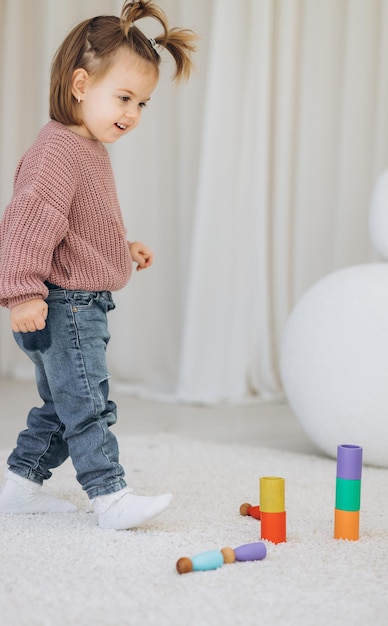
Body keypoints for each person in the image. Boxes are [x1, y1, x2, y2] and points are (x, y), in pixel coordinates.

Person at [0, 0, 196, 530]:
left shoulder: (86, 147)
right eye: (125, 97)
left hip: (75, 301)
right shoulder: (59, 150)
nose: (132, 113)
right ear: (81, 84)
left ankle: (17, 488)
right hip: (61, 306)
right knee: (88, 405)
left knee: (62, 407)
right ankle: (109, 497)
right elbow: (27, 221)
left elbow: (75, 227)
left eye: (143, 103)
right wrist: (21, 291)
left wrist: (121, 247)